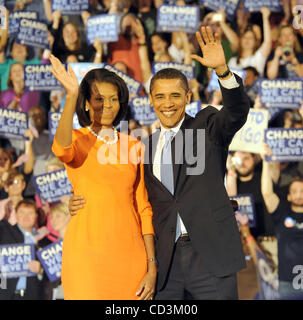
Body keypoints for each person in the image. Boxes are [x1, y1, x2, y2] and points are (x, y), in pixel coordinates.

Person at [70, 26, 250, 299]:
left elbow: (236, 112)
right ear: (151, 101)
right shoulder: (141, 146)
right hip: (164, 266)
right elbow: (126, 196)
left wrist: (223, 72)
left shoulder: (209, 124)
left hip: (210, 258)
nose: (168, 103)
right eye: (161, 96)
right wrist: (78, 201)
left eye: (176, 95)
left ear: (188, 98)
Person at [49, 54, 156, 300]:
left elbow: (143, 208)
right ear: (86, 103)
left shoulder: (135, 146)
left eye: (113, 99)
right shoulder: (76, 139)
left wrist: (152, 265)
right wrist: (71, 95)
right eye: (99, 99)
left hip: (131, 257)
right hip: (86, 257)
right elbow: (60, 149)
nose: (107, 105)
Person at [261, 148, 303, 300]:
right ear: (289, 196)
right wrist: (266, 162)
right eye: (295, 191)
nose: (299, 194)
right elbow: (267, 193)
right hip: (287, 284)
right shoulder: (281, 213)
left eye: (302, 191)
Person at [0, 199, 48, 300]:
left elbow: (51, 277)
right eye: (22, 212)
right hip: (5, 294)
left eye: (30, 213)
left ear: (36, 216)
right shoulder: (4, 231)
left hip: (32, 295)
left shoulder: (44, 242)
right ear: (16, 215)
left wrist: (40, 271)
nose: (26, 217)